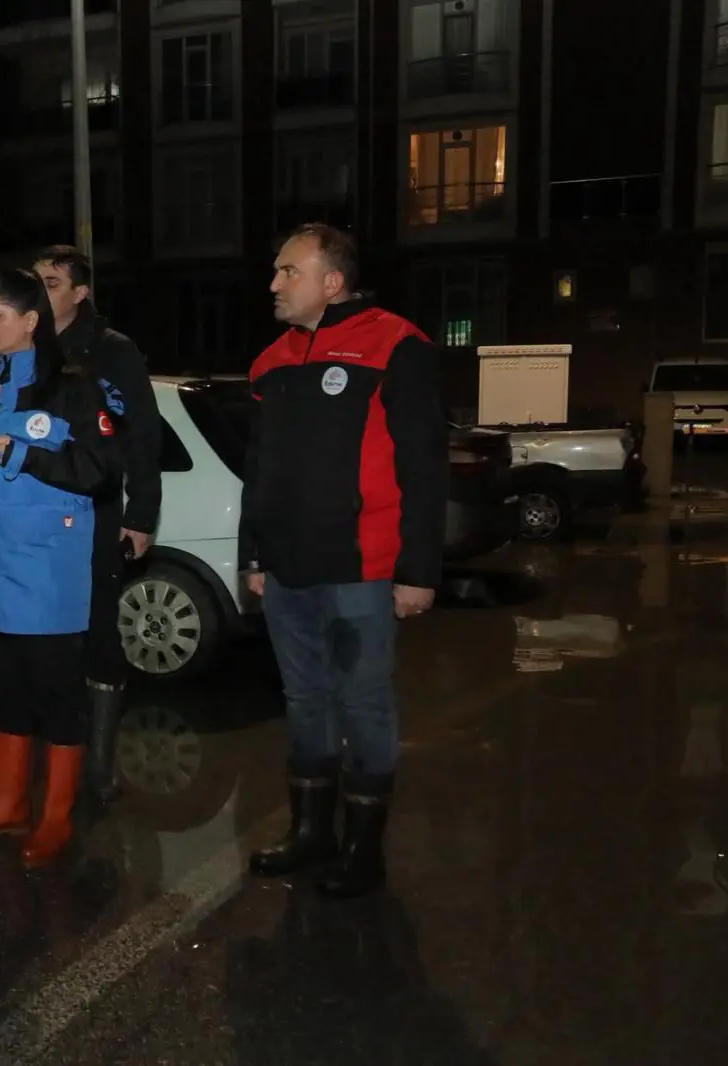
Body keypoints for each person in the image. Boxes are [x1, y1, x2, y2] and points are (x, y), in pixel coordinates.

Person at [241, 223, 448, 900]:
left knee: (364, 703)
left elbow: (424, 466)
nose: (274, 283)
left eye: (288, 271)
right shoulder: (270, 362)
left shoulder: (397, 345)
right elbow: (259, 470)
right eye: (275, 272)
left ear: (332, 281)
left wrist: (419, 569)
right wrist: (255, 554)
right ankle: (312, 834)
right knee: (305, 701)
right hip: (288, 570)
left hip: (364, 567)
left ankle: (364, 849)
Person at [0, 268, 121, 869]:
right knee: (2, 693)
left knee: (57, 698)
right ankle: (8, 803)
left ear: (31, 321)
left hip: (44, 574)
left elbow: (97, 469)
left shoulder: (75, 386)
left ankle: (56, 815)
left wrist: (24, 454)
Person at [33, 245, 162, 803]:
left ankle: (101, 770)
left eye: (54, 283)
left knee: (98, 632)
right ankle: (47, 763)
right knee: (40, 637)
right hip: (35, 515)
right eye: (36, 281)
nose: (43, 292)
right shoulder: (26, 345)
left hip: (95, 511)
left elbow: (143, 435)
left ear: (80, 293)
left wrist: (141, 514)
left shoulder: (113, 351)